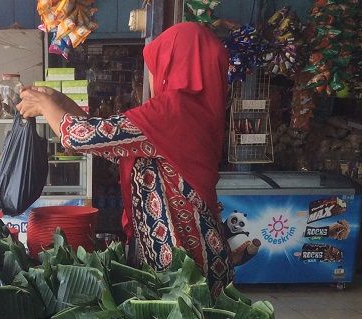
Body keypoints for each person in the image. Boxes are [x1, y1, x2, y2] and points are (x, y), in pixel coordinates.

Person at [17, 22, 233, 297]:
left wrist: (46, 106)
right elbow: (107, 138)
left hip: (185, 270)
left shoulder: (173, 111)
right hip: (194, 259)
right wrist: (58, 100)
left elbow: (80, 136)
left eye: (154, 67)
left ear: (171, 63)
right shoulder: (193, 111)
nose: (152, 77)